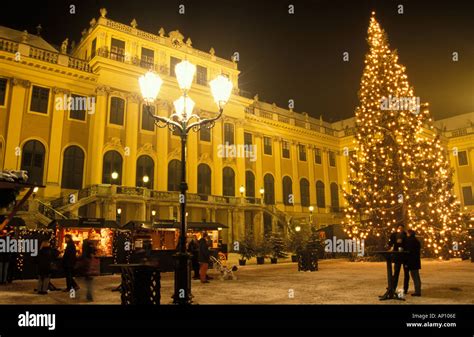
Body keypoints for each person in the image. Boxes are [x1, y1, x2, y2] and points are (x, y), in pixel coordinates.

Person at [388, 223, 409, 294]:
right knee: (396, 272)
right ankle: (393, 287)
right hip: (397, 256)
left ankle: (405, 289)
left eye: (402, 228)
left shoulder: (406, 235)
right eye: (399, 228)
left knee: (406, 273)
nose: (400, 229)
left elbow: (408, 244)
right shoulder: (394, 235)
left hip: (405, 256)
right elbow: (390, 243)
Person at [406, 229, 422, 296]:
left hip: (412, 260)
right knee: (416, 275)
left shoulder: (409, 240)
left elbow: (408, 250)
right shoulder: (416, 240)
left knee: (414, 275)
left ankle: (417, 291)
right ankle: (418, 290)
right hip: (416, 260)